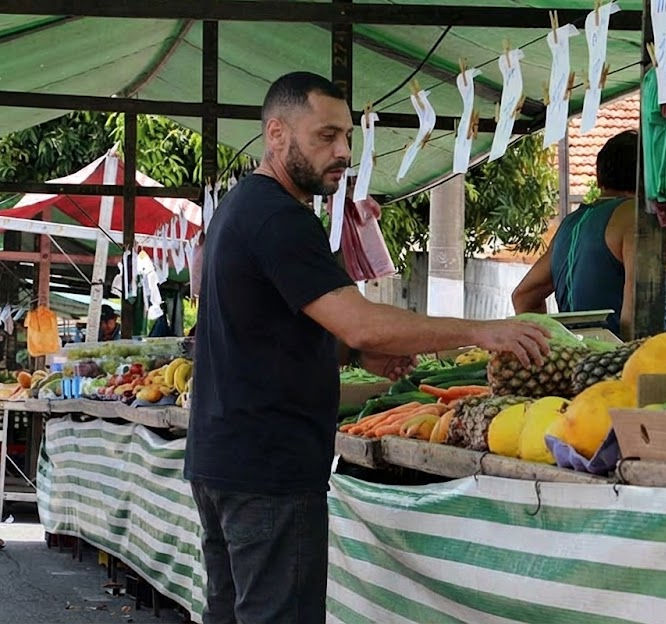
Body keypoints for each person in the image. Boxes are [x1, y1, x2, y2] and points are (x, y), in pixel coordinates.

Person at [184, 71, 550, 624]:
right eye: (326, 137)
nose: (344, 152)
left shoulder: (243, 207)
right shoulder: (279, 217)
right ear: (276, 134)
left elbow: (271, 331)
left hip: (228, 458)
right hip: (268, 468)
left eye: (347, 137)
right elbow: (360, 323)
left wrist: (352, 358)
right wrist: (482, 331)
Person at [512, 130, 666, 338]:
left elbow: (524, 296)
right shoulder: (637, 218)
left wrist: (553, 350)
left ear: (600, 179)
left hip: (585, 361)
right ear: (649, 178)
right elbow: (638, 316)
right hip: (638, 362)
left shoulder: (569, 225)